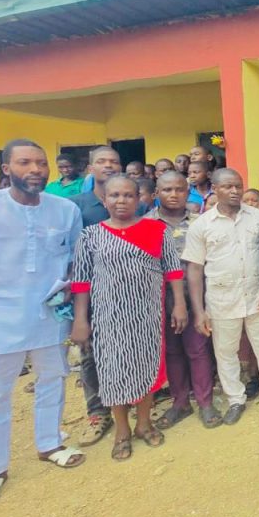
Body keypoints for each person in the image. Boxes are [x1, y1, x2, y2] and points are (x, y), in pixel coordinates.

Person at [0, 140, 85, 514]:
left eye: (41, 162)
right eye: (25, 162)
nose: (35, 169)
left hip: (48, 315)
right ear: (7, 168)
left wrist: (69, 294)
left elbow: (75, 259)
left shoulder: (65, 209)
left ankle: (50, 443)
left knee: (53, 379)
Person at [70, 176, 187, 460]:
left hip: (147, 315)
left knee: (146, 367)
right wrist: (80, 320)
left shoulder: (156, 231)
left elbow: (173, 271)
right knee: (113, 372)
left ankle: (143, 423)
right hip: (107, 318)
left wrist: (179, 305)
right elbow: (81, 282)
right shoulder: (91, 236)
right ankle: (122, 429)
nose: (121, 201)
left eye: (127, 195)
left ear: (139, 199)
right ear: (104, 200)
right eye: (114, 195)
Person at [182, 168, 259, 425]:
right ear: (215, 189)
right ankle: (236, 399)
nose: (234, 191)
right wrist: (199, 311)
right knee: (226, 352)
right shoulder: (201, 225)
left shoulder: (257, 217)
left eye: (238, 186)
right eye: (227, 187)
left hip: (257, 296)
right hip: (222, 299)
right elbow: (195, 269)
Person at [146, 172, 221, 429]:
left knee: (198, 349)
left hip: (196, 297)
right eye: (167, 190)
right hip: (160, 300)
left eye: (180, 189)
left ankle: (205, 402)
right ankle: (180, 402)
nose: (174, 194)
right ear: (156, 193)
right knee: (173, 351)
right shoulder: (145, 224)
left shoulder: (200, 222)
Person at [69, 145, 124, 446]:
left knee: (125, 348)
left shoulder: (133, 202)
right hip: (91, 292)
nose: (108, 166)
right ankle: (97, 412)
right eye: (101, 162)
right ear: (91, 168)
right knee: (90, 352)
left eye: (113, 161)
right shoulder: (78, 206)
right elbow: (73, 257)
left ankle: (126, 403)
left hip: (128, 293)